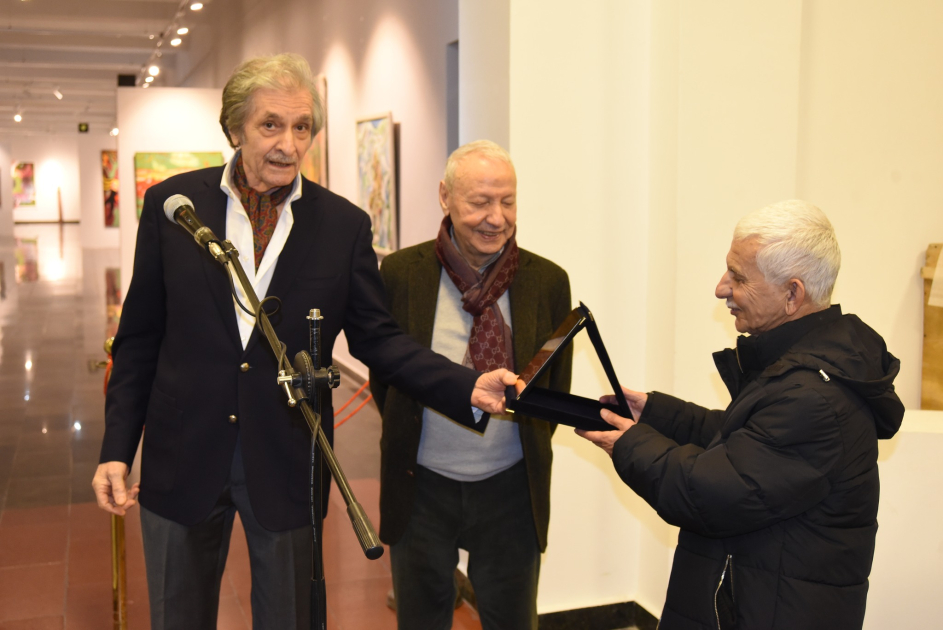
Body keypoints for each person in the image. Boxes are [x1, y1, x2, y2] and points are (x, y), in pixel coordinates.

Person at [90, 53, 515, 630]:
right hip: (181, 453)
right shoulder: (174, 207)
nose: (288, 144)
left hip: (287, 457)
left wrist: (466, 384)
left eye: (302, 127)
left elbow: (379, 340)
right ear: (235, 128)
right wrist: (117, 448)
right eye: (270, 125)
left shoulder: (342, 226)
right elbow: (139, 339)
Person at [578, 200, 904, 630]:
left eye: (738, 277)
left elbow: (710, 493)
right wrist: (656, 414)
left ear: (792, 294)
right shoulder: (804, 367)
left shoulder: (815, 398)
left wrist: (630, 444)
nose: (720, 288)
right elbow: (745, 443)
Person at [371, 140, 571, 630]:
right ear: (445, 196)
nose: (496, 218)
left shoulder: (547, 281)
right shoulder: (401, 274)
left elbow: (553, 392)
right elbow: (386, 377)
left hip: (511, 488)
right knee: (421, 618)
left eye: (507, 201)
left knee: (512, 619)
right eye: (480, 202)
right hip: (421, 484)